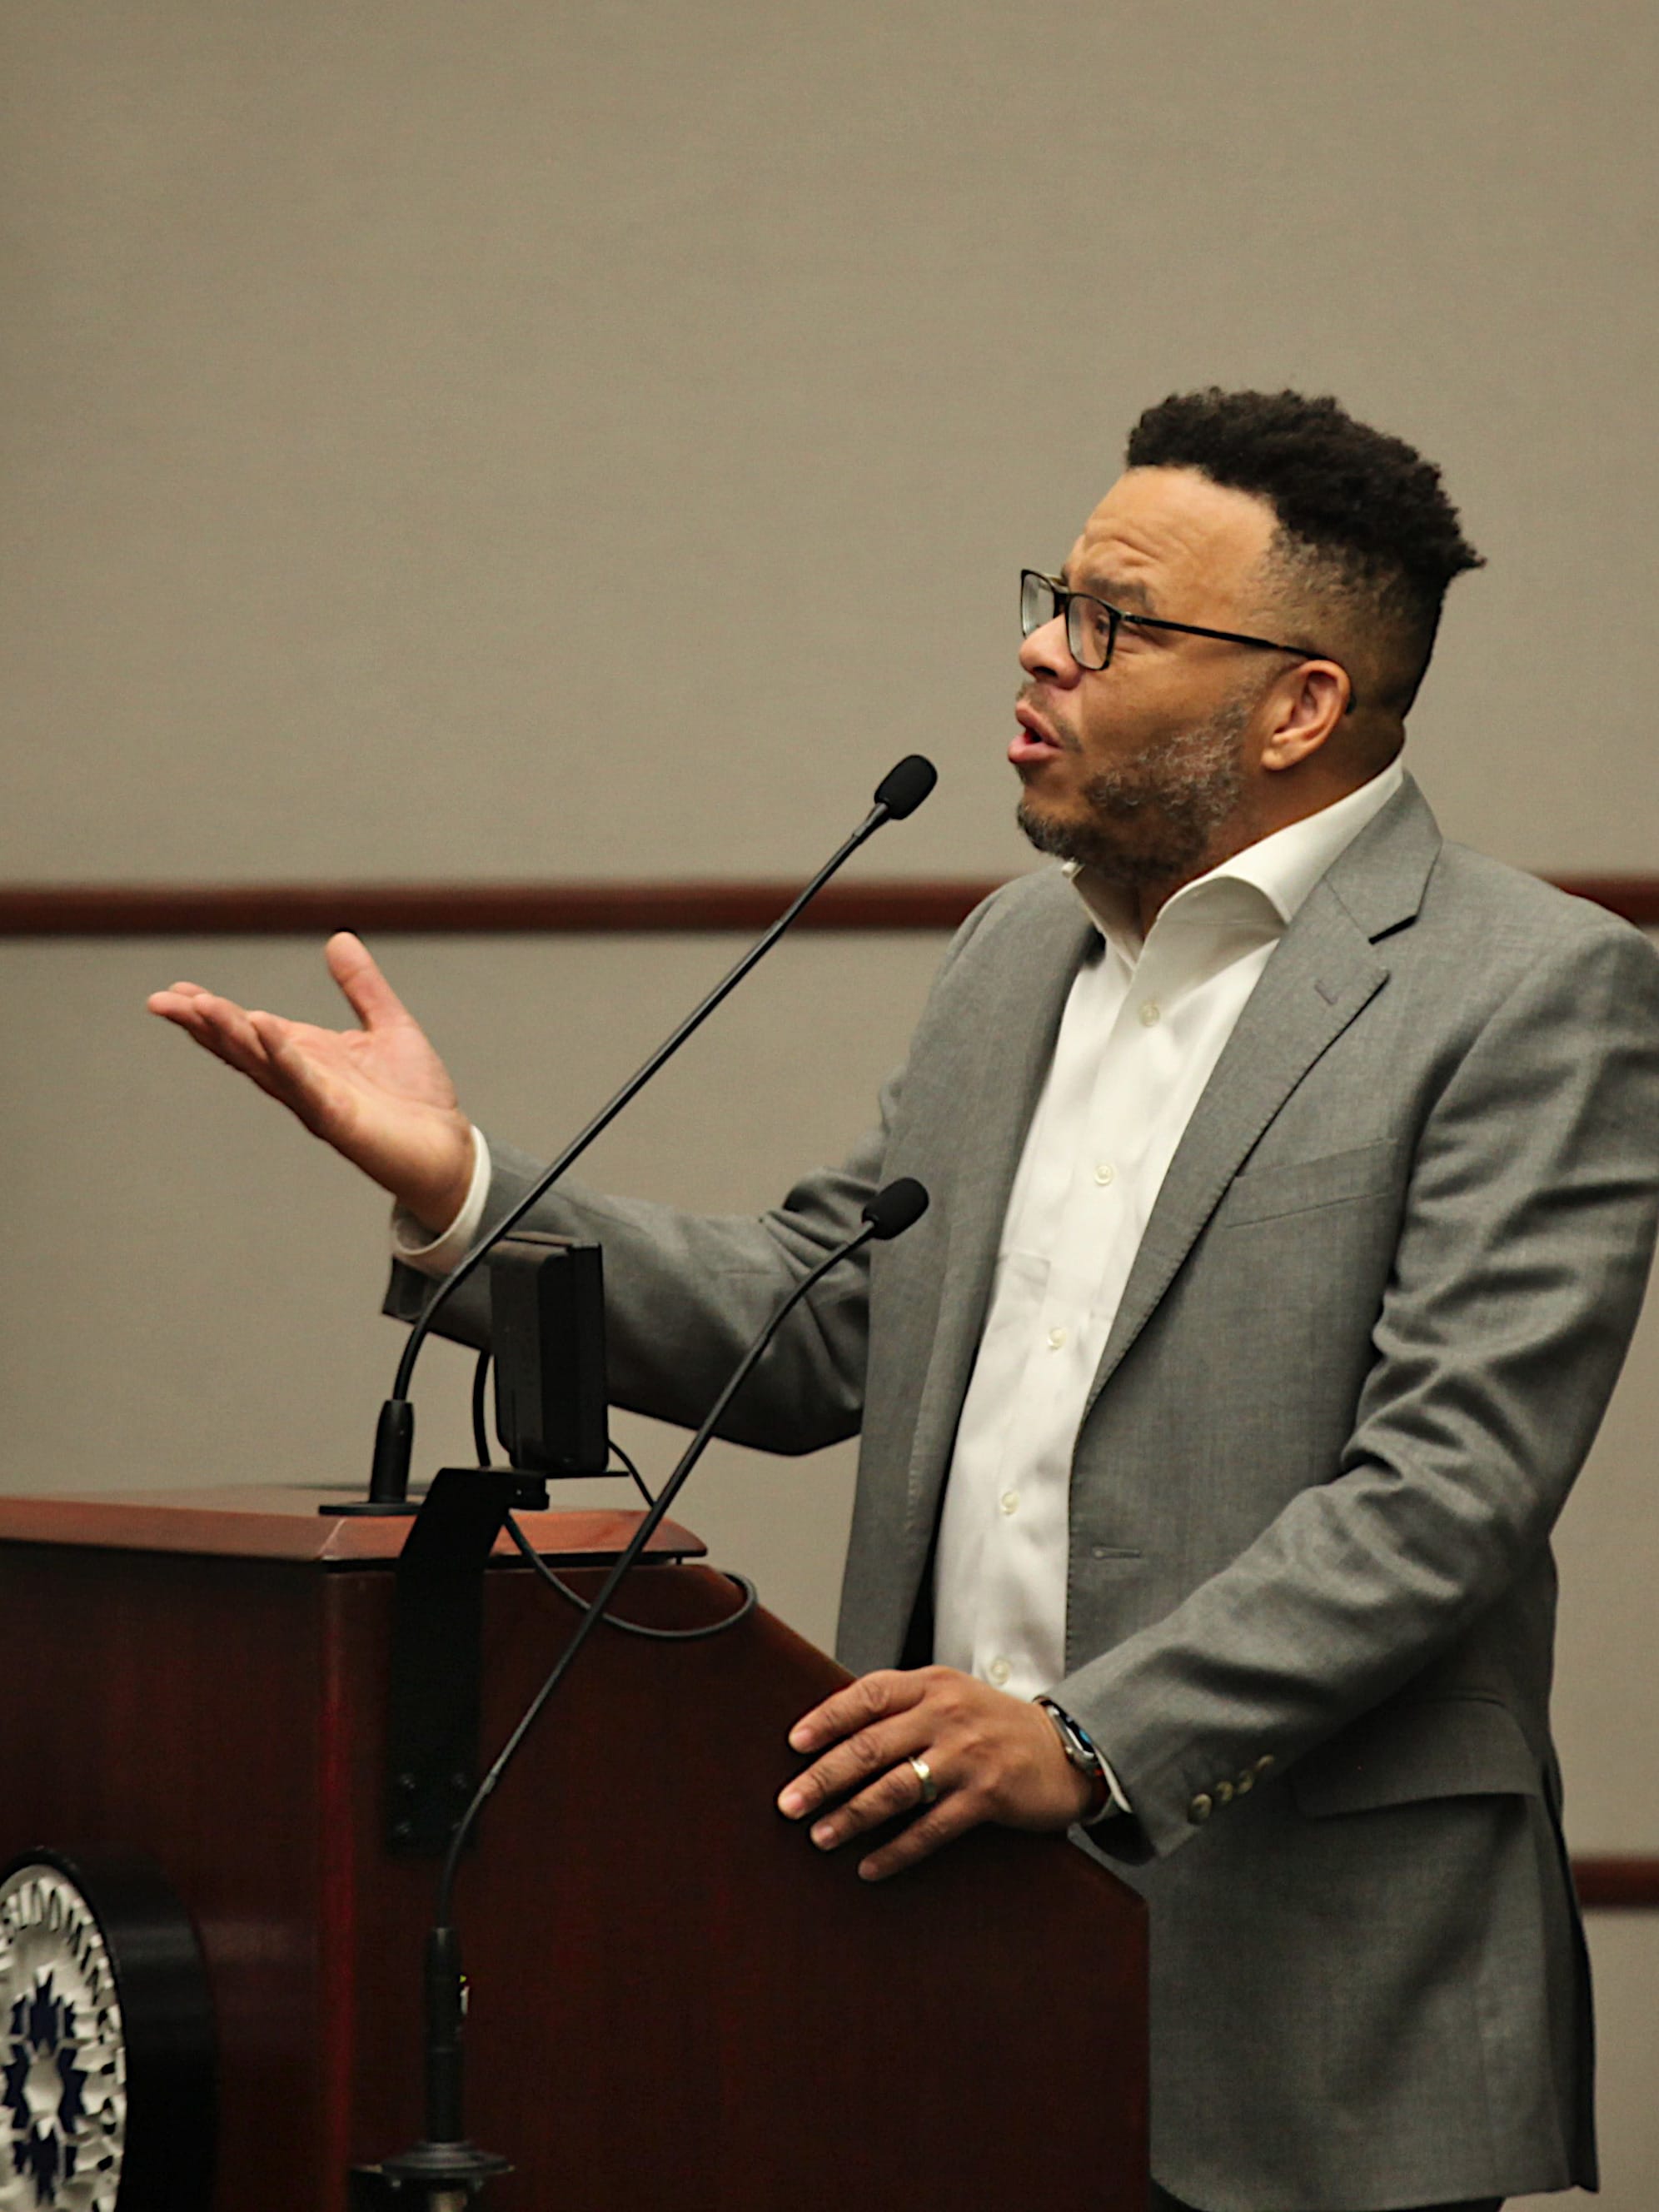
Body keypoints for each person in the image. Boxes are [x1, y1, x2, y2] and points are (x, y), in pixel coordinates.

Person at [150, 388, 1659, 2212]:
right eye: (1054, 596)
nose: (1042, 647)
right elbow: (820, 1320)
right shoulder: (1015, 951)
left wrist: (1089, 1736)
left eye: (1114, 620)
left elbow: (1449, 1492)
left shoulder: (1530, 989)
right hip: (937, 1950)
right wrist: (461, 1187)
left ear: (1299, 705)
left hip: (1312, 1989)